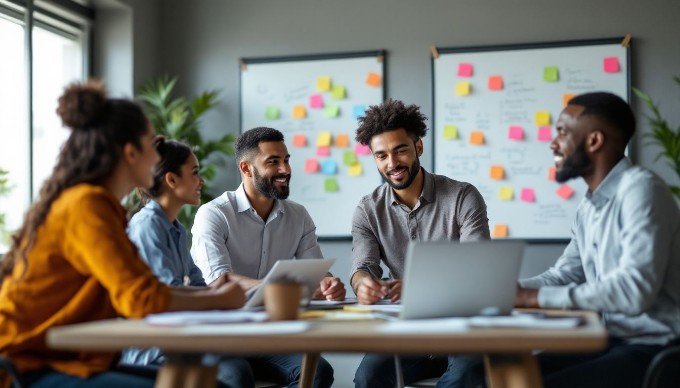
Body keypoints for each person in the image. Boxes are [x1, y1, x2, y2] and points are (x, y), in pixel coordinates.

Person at [0, 81, 245, 388]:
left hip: (64, 362)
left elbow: (145, 288)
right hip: (27, 369)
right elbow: (143, 300)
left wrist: (213, 296)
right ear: (130, 152)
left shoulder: (102, 207)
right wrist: (217, 300)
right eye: (149, 144)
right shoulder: (87, 205)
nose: (156, 158)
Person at [453, 91, 680, 388]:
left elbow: (634, 290)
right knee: (479, 376)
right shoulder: (589, 206)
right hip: (606, 340)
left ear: (594, 140)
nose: (552, 143)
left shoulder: (641, 191)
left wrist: (529, 298)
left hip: (654, 347)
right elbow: (567, 274)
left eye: (561, 132)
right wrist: (506, 291)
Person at [349, 99, 490, 388]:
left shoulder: (463, 196)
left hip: (462, 325)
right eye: (381, 156)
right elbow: (363, 266)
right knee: (368, 377)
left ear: (418, 147)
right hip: (406, 328)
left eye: (400, 150)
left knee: (464, 375)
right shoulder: (367, 210)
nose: (392, 163)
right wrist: (363, 283)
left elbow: (477, 268)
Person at [190, 126, 344, 388]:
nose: (285, 169)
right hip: (222, 339)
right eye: (273, 162)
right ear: (247, 168)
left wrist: (326, 285)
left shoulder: (299, 215)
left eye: (286, 160)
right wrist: (278, 288)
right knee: (236, 377)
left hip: (272, 338)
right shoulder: (214, 214)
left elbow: (314, 271)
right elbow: (218, 279)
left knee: (318, 372)